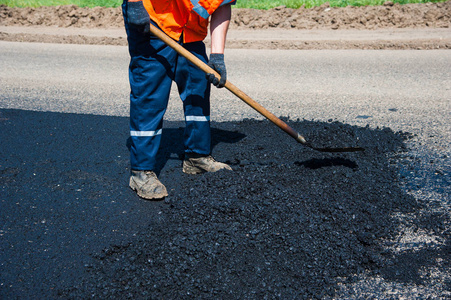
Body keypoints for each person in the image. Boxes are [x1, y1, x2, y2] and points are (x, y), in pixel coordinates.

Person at [122, 0, 236, 200]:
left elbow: (222, 6)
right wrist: (134, 3)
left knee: (198, 85)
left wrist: (217, 56)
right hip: (153, 19)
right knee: (151, 93)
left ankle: (197, 156)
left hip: (190, 29)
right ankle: (141, 171)